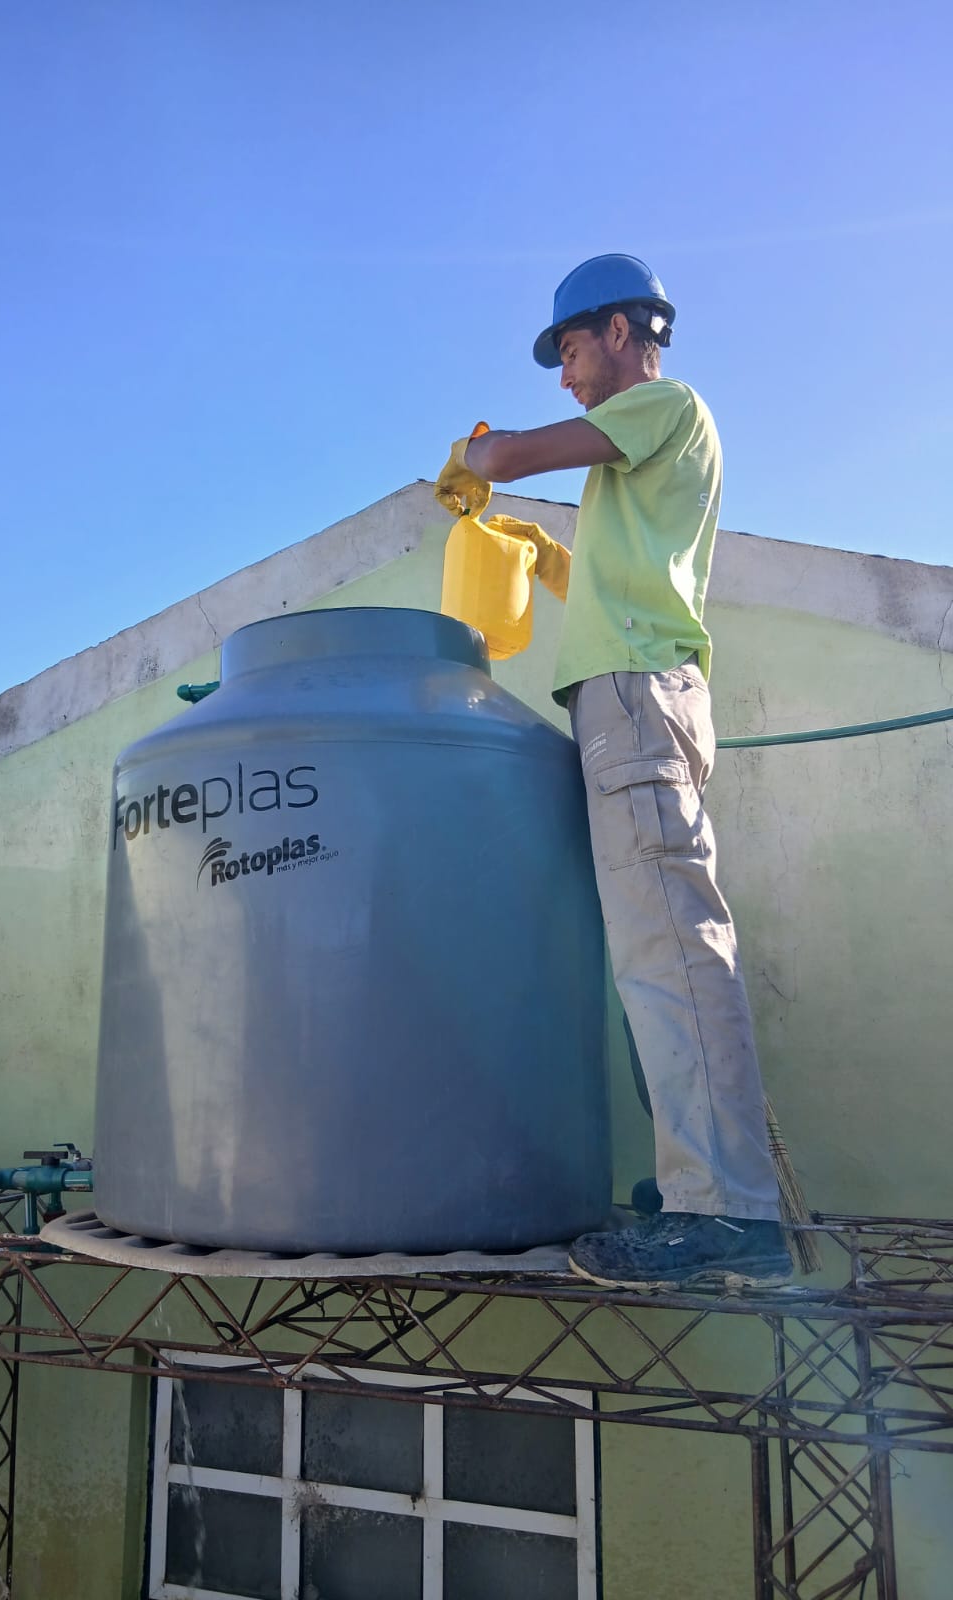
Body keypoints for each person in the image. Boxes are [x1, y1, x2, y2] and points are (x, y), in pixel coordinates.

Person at [436, 253, 791, 1291]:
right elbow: (619, 573)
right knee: (652, 955)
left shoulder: (665, 406)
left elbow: (520, 451)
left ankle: (725, 1211)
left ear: (625, 330)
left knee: (671, 953)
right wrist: (546, 558)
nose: (567, 373)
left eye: (572, 348)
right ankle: (702, 1189)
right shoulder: (634, 460)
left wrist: (481, 455)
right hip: (629, 695)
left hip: (636, 698)